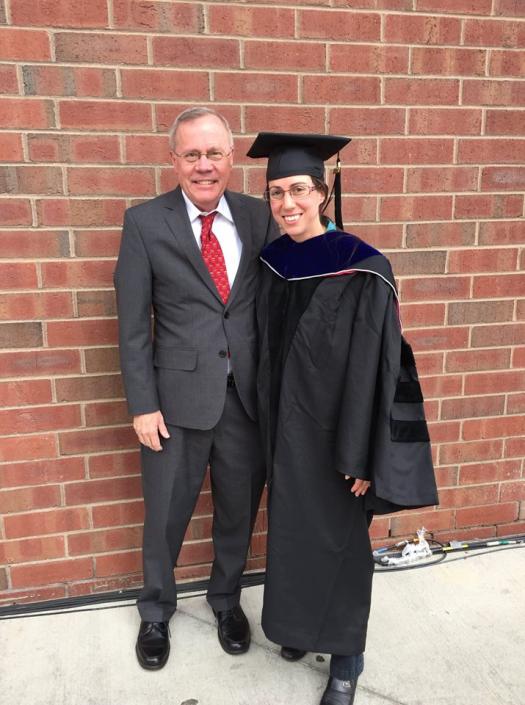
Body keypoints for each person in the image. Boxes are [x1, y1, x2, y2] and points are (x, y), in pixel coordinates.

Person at [247, 132, 438, 705]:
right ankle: (301, 631)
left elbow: (380, 370)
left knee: (339, 544)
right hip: (283, 435)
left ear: (324, 192)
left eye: (299, 189)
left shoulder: (362, 269)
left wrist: (364, 455)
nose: (287, 203)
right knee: (292, 536)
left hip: (337, 441)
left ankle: (346, 660)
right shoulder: (273, 262)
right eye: (276, 192)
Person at [114, 107, 277, 670]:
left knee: (237, 510)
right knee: (165, 514)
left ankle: (226, 601)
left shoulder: (260, 218)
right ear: (174, 160)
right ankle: (155, 610)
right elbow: (133, 324)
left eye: (214, 154)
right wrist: (142, 405)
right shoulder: (144, 223)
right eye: (192, 154)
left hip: (248, 399)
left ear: (232, 160)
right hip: (175, 403)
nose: (203, 165)